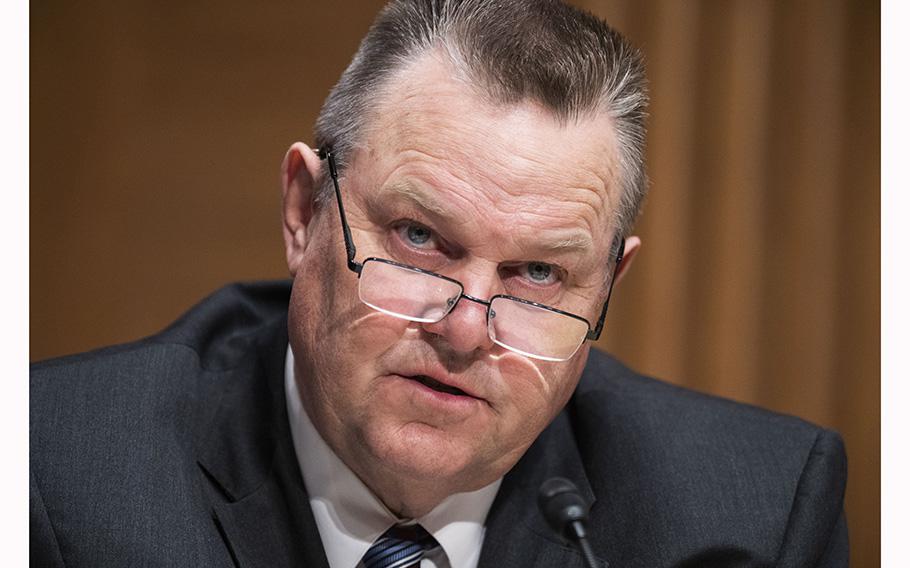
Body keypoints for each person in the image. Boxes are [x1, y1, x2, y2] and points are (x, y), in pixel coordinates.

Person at [30, 0, 848, 566]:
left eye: (538, 273)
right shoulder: (54, 470)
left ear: (608, 287)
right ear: (304, 211)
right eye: (420, 239)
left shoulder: (751, 519)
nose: (464, 330)